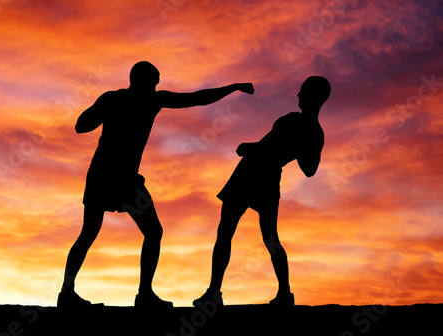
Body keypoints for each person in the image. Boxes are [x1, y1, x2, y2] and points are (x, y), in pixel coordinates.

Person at [57, 61, 254, 308]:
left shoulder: (131, 100)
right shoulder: (139, 100)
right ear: (144, 81)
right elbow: (81, 125)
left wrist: (233, 87)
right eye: (154, 81)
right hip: (111, 177)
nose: (156, 85)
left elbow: (198, 99)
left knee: (104, 233)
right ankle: (135, 294)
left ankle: (121, 294)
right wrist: (102, 109)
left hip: (113, 177)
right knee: (132, 232)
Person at [193, 76, 331, 309]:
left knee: (254, 235)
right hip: (252, 173)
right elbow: (278, 148)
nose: (298, 95)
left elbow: (307, 168)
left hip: (260, 175)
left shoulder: (311, 131)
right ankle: (219, 291)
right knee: (239, 233)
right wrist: (261, 148)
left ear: (316, 97)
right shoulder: (301, 125)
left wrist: (255, 147)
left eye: (303, 91)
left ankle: (279, 293)